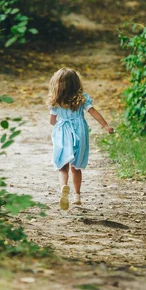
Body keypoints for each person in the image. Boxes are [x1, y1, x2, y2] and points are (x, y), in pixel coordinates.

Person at [47, 67, 114, 210]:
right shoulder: (82, 98)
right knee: (76, 167)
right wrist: (106, 126)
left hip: (63, 131)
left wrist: (59, 122)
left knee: (62, 165)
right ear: (76, 82)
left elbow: (52, 121)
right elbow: (93, 112)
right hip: (79, 131)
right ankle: (77, 196)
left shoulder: (55, 100)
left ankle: (64, 187)